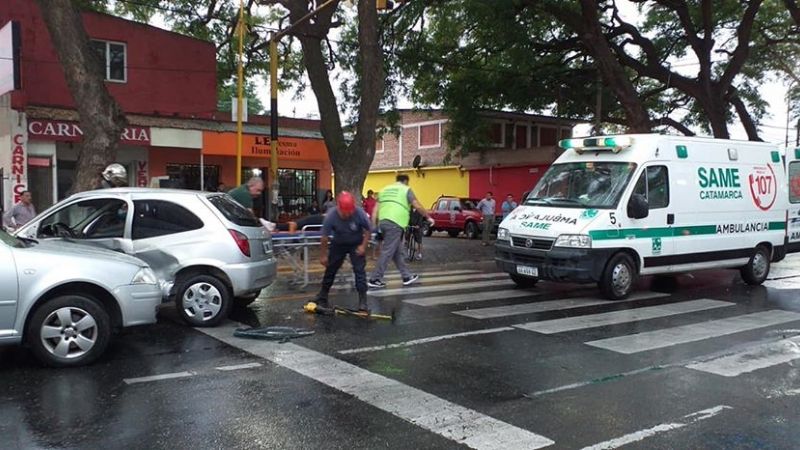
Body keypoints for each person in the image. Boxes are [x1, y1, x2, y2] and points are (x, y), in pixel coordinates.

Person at [368, 174, 434, 289]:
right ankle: (374, 278)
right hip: (395, 224)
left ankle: (406, 276)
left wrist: (374, 226)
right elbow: (417, 205)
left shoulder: (384, 190)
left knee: (397, 252)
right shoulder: (406, 190)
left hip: (383, 223)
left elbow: (375, 209)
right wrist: (428, 217)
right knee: (387, 252)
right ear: (405, 181)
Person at [312, 191, 372, 312]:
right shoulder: (331, 215)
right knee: (331, 268)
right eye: (345, 213)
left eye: (350, 212)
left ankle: (363, 300)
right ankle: (323, 295)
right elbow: (324, 237)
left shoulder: (359, 213)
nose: (347, 215)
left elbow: (368, 229)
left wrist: (363, 246)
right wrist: (323, 255)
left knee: (359, 270)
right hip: (338, 243)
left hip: (356, 243)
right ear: (339, 208)